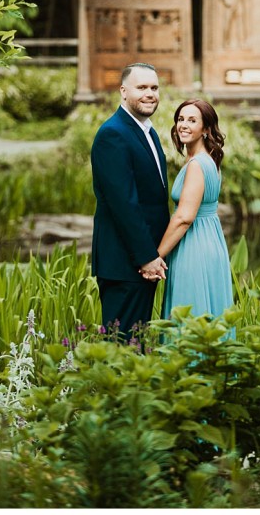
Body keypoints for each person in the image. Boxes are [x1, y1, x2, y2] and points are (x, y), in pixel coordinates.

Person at [90, 62, 170, 340]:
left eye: (154, 88)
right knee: (121, 346)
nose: (150, 94)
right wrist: (147, 256)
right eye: (142, 87)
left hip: (144, 260)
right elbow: (123, 204)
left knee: (137, 345)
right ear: (123, 91)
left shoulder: (147, 131)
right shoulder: (113, 134)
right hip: (125, 263)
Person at [155, 98, 234, 322]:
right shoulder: (207, 160)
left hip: (195, 246)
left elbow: (184, 217)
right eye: (180, 119)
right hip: (210, 239)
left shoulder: (198, 164)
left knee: (189, 314)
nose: (184, 125)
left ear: (206, 129)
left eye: (192, 120)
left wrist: (156, 257)